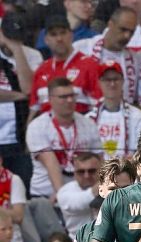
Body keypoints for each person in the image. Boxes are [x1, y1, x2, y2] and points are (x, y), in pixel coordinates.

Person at [27, 77, 100, 200]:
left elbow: (98, 160)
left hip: (83, 193)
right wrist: (63, 196)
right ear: (50, 99)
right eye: (63, 97)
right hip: (47, 193)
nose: (70, 100)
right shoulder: (37, 126)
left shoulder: (88, 124)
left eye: (72, 96)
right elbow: (51, 164)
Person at [29, 16, 102, 114]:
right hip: (46, 122)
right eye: (53, 34)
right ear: (46, 40)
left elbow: (99, 106)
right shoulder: (41, 69)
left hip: (79, 121)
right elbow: (34, 109)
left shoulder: (89, 65)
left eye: (63, 33)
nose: (59, 39)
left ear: (71, 35)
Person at [0, 15, 40, 187]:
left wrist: (17, 50)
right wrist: (20, 96)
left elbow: (29, 89)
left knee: (21, 187)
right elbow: (26, 94)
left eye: (17, 37)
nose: (12, 41)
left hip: (19, 138)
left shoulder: (33, 55)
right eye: (10, 36)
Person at [74, 7, 138, 104]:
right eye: (123, 29)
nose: (127, 36)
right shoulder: (81, 48)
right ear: (110, 24)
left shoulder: (134, 59)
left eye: (131, 32)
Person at [89, 62, 141, 159]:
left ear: (123, 81)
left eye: (116, 79)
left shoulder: (139, 117)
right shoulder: (88, 119)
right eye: (107, 80)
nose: (112, 84)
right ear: (99, 82)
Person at [55, 151, 101, 235]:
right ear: (74, 173)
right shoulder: (64, 192)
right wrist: (106, 181)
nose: (86, 176)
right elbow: (82, 202)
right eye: (81, 172)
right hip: (78, 240)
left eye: (91, 171)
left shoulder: (112, 187)